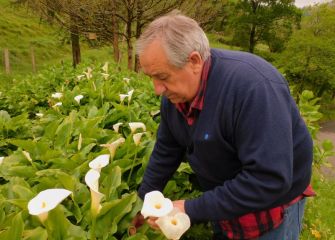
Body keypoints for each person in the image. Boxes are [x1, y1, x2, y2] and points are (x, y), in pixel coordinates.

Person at [134, 11, 315, 240]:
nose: (157, 89)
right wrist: (144, 201)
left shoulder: (253, 89)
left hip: (271, 206)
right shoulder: (176, 95)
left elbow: (269, 179)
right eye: (151, 77)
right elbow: (167, 149)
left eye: (162, 77)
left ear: (194, 61)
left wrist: (191, 209)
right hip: (226, 200)